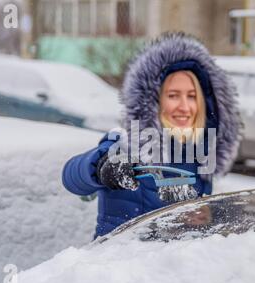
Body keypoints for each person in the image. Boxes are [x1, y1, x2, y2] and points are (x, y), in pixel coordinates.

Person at [62, 32, 243, 239]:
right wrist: (100, 166)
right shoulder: (125, 144)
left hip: (169, 266)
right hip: (116, 264)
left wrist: (207, 218)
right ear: (152, 100)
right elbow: (72, 178)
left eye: (192, 96)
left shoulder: (200, 157)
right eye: (173, 95)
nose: (185, 106)